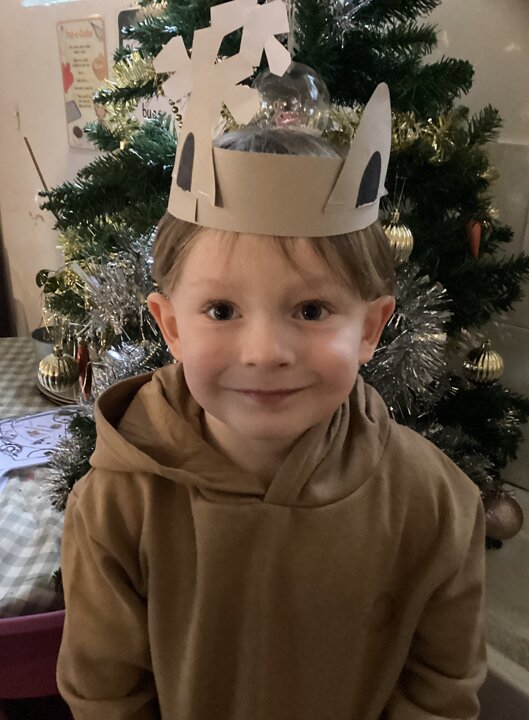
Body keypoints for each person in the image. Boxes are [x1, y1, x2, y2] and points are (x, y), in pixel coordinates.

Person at [57, 126, 486, 720]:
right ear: (172, 327)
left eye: (311, 309)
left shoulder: (436, 502)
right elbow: (106, 698)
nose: (264, 353)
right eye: (221, 310)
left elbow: (441, 690)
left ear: (369, 328)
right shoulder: (114, 506)